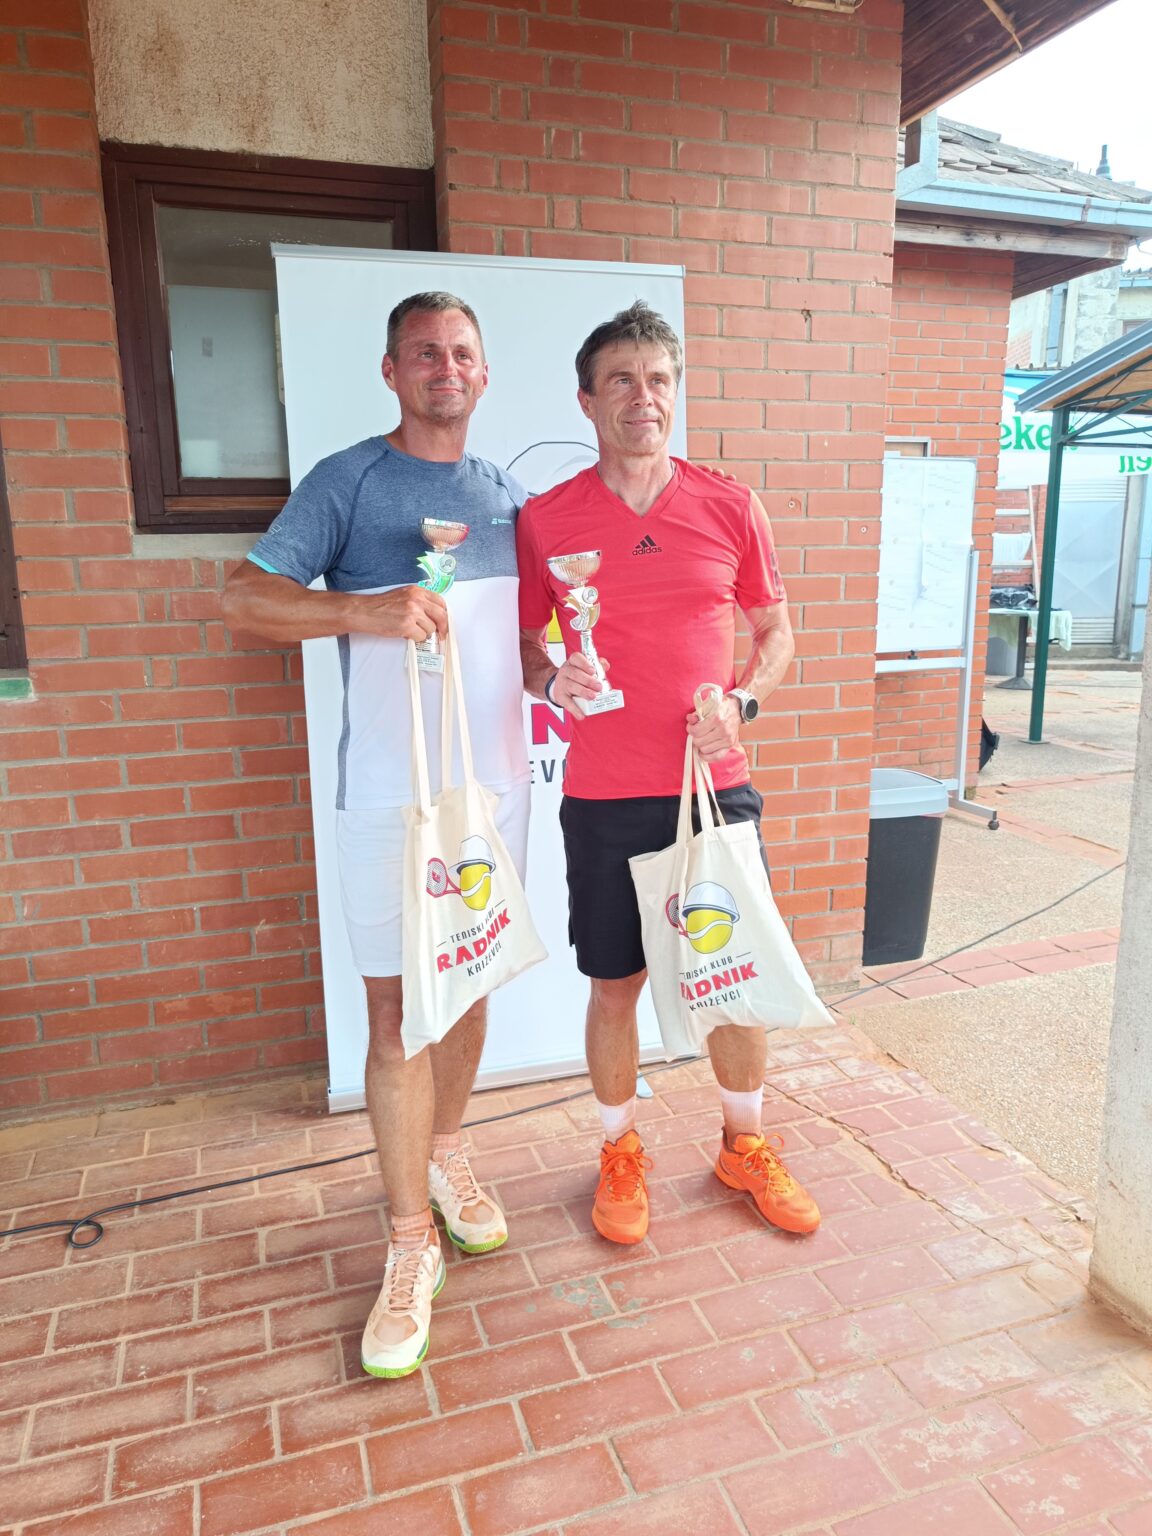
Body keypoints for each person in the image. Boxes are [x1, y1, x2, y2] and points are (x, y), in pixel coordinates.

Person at [222, 292, 529, 1378]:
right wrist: (361, 608)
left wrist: (562, 676)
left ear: (484, 373)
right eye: (424, 354)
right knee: (398, 1013)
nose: (446, 369)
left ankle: (446, 1155)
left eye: (462, 353)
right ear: (392, 371)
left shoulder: (506, 495)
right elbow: (244, 599)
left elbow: (524, 646)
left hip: (492, 792)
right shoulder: (347, 481)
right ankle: (407, 1245)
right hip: (387, 797)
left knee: (472, 986)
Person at [517, 301, 821, 1246]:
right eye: (621, 379)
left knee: (731, 973)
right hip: (604, 792)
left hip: (712, 784)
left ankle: (744, 1144)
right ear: (587, 399)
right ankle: (619, 1149)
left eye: (658, 380)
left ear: (675, 393)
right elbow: (526, 649)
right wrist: (552, 678)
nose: (642, 397)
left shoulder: (729, 504)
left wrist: (744, 701)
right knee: (616, 984)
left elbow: (776, 634)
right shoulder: (547, 519)